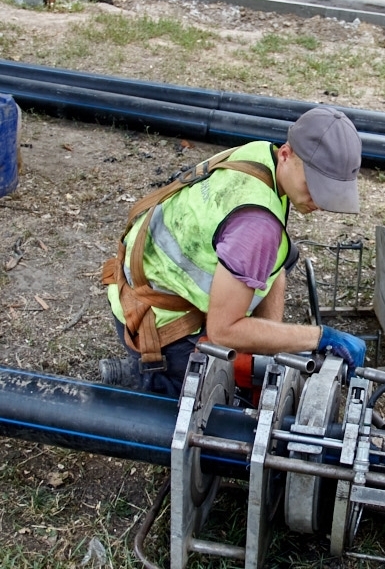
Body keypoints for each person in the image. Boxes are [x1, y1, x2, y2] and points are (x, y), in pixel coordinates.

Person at [100, 106, 367, 396]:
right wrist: (320, 337)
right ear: (287, 155)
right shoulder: (257, 225)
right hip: (153, 323)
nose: (320, 201)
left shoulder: (260, 154)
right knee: (217, 411)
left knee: (283, 256)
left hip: (138, 281)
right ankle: (145, 380)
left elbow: (272, 266)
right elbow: (223, 331)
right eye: (314, 185)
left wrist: (267, 349)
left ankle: (255, 357)